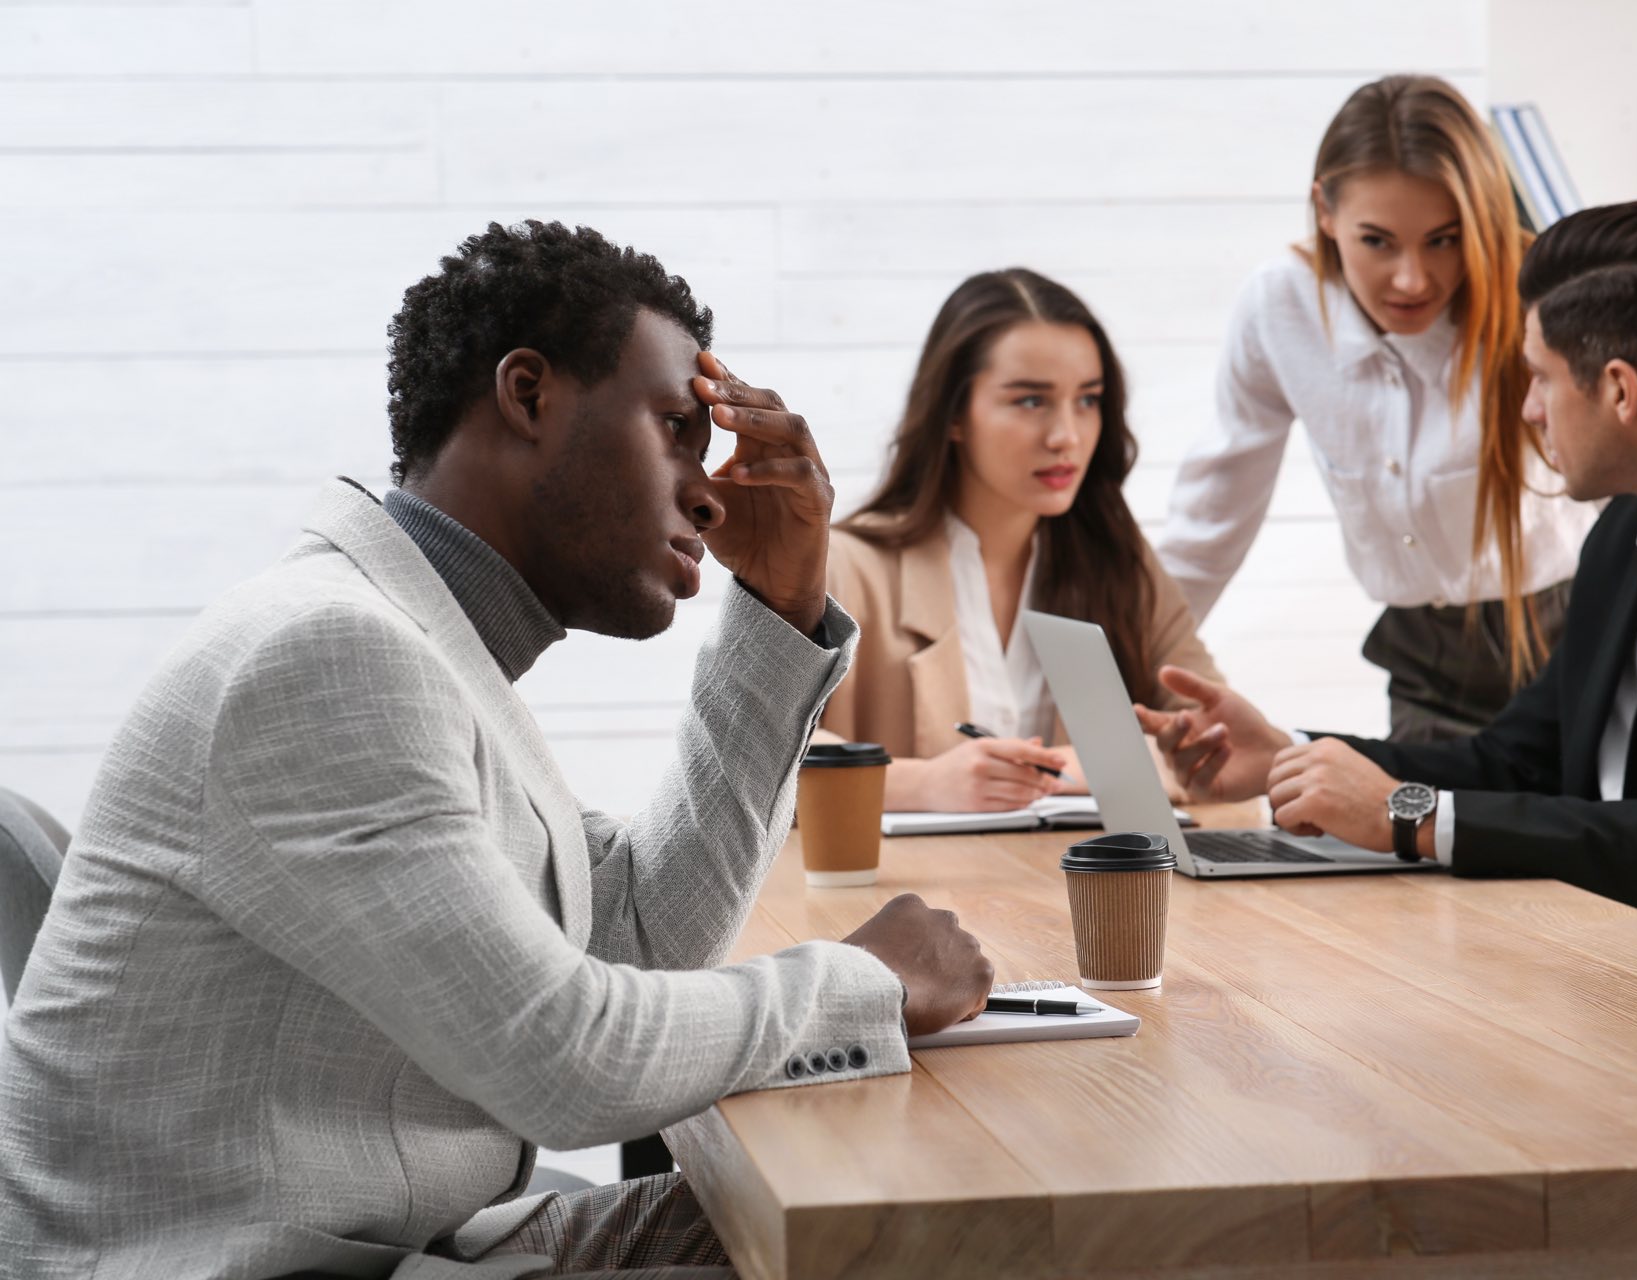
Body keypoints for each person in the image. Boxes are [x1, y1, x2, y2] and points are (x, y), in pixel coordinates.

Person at [0, 221, 996, 1280]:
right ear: (528, 394)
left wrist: (782, 603)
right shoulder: (330, 654)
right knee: (913, 1247)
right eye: (673, 429)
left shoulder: (414, 646)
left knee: (924, 1220)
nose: (709, 495)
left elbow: (639, 938)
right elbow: (567, 1058)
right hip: (263, 1264)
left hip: (388, 1239)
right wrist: (864, 981)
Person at [1140, 201, 1637, 1007]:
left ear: (1620, 389)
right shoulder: (1628, 525)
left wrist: (1406, 815)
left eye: (1540, 377)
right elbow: (1516, 761)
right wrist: (1285, 756)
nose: (1528, 410)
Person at [1158, 74, 1595, 742]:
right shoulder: (1281, 308)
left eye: (1444, 240)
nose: (1412, 279)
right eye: (1377, 241)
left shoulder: (1540, 299)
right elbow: (1211, 519)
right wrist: (1117, 677)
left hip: (1571, 640)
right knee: (1420, 845)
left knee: (1560, 841)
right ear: (1325, 211)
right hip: (1423, 661)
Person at [820, 268, 1227, 813]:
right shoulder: (845, 567)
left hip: (1080, 893)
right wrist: (926, 784)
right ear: (954, 415)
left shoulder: (1118, 564)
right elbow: (763, 754)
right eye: (1031, 401)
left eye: (1088, 400)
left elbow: (1215, 738)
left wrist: (1057, 773)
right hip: (902, 897)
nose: (1067, 436)